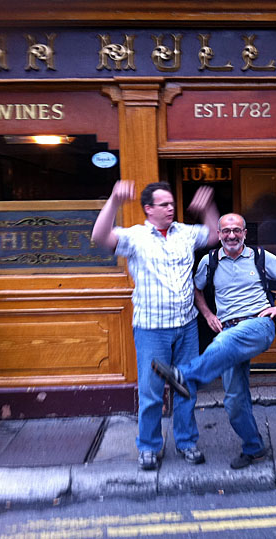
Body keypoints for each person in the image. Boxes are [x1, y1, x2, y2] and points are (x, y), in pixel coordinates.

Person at [152, 213, 276, 469]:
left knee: (223, 341)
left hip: (258, 325)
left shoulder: (259, 256)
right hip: (229, 329)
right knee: (234, 400)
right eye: (226, 231)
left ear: (245, 233)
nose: (232, 235)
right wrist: (208, 314)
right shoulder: (209, 261)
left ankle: (186, 376)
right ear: (219, 234)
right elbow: (196, 289)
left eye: (237, 230)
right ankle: (254, 448)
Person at [91, 180, 219, 471]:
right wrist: (114, 200)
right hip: (152, 329)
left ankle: (186, 442)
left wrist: (207, 207)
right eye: (164, 204)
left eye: (172, 203)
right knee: (151, 391)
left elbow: (214, 234)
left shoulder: (185, 232)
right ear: (148, 209)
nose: (171, 208)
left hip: (186, 326)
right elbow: (99, 236)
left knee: (185, 387)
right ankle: (149, 446)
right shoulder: (135, 237)